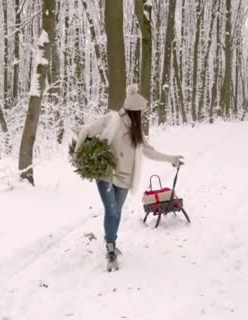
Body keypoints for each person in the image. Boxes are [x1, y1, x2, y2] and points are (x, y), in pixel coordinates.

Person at [75, 84, 184, 271]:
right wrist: (79, 154)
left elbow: (150, 152)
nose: (141, 116)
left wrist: (171, 159)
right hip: (106, 174)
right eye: (140, 113)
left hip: (125, 179)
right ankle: (110, 250)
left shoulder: (136, 131)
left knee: (117, 212)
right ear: (134, 111)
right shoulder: (113, 119)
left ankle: (112, 242)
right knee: (111, 211)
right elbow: (87, 130)